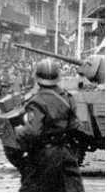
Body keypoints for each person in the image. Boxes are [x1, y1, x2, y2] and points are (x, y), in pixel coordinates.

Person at [14, 58, 84, 192]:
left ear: (37, 77)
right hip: (66, 154)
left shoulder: (36, 101)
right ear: (58, 77)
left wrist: (18, 131)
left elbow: (33, 131)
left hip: (43, 156)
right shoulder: (68, 98)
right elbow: (75, 126)